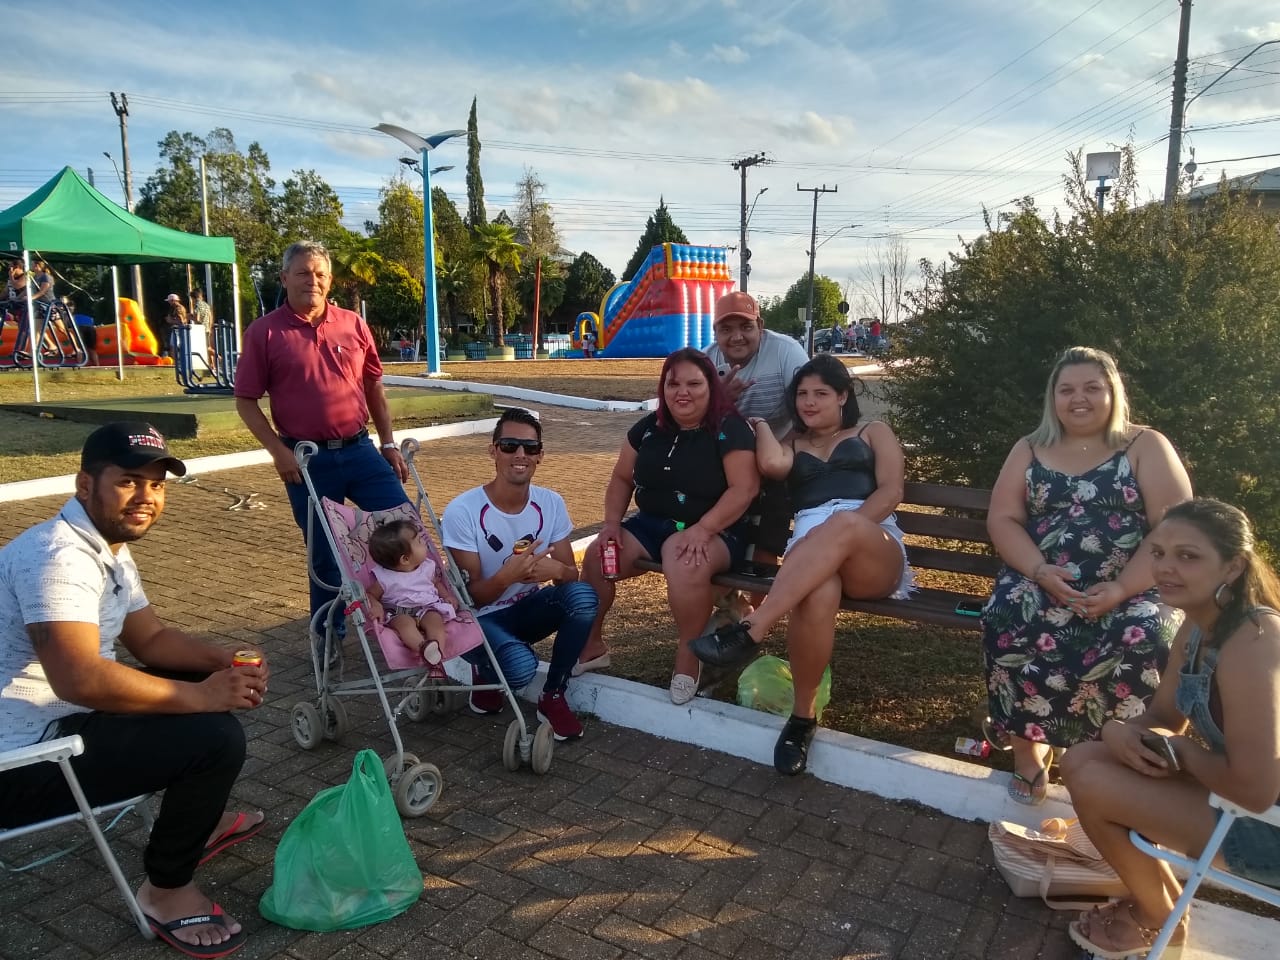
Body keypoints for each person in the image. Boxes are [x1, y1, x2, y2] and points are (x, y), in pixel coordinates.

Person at [0, 422, 268, 957]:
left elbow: (152, 640)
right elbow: (79, 678)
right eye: (128, 481)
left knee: (202, 686)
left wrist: (222, 663)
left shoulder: (104, 545)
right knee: (215, 738)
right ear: (84, 485)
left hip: (62, 720)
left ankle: (199, 821)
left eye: (157, 484)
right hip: (24, 764)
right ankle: (165, 892)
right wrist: (206, 696)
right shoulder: (59, 558)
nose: (145, 497)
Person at [1060, 498, 1280, 958]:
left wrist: (1178, 750)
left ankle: (1158, 919)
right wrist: (1119, 730)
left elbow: (1257, 789)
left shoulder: (1255, 642)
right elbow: (1162, 719)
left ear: (1233, 567)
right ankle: (1158, 909)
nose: (1165, 568)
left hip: (1269, 827)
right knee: (1082, 759)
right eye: (1158, 553)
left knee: (1094, 779)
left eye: (1188, 556)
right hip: (1243, 801)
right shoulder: (1200, 625)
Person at [982, 346, 1193, 805]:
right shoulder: (1030, 447)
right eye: (1067, 389)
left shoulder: (1144, 445)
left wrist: (1120, 588)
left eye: (1092, 388)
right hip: (1043, 579)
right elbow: (1003, 519)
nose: (1079, 398)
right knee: (1007, 614)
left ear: (1112, 393)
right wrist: (1039, 571)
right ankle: (1029, 756)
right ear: (1052, 397)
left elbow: (1173, 530)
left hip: (1133, 584)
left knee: (1145, 634)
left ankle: (1118, 757)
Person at [691, 354, 914, 773]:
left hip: (871, 548)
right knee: (817, 594)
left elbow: (891, 493)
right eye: (802, 395)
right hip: (814, 563)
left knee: (841, 524)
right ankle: (802, 718)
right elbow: (771, 465)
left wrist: (836, 534)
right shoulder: (792, 445)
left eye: (821, 394)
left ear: (843, 396)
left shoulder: (873, 432)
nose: (809, 402)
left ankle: (753, 629)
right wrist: (759, 425)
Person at [233, 240, 410, 635]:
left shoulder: (353, 323)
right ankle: (330, 640)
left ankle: (416, 621)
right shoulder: (265, 332)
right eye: (302, 273)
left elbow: (374, 385)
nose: (312, 280)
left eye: (320, 274)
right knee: (326, 559)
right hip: (306, 461)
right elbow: (245, 400)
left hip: (361, 451)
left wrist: (387, 443)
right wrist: (278, 452)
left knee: (403, 529)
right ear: (284, 278)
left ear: (330, 281)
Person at [579, 348, 759, 704]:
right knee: (600, 555)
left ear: (712, 386)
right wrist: (612, 524)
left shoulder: (729, 429)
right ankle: (592, 644)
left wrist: (704, 528)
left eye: (694, 383)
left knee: (682, 554)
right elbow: (620, 477)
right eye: (673, 383)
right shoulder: (650, 428)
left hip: (719, 530)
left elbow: (745, 488)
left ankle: (689, 655)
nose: (682, 392)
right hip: (652, 525)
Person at [441, 408, 598, 741]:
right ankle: (485, 669)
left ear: (541, 455)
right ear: (493, 450)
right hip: (478, 621)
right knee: (522, 669)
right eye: (510, 445)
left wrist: (558, 570)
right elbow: (468, 600)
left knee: (584, 597)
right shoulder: (463, 511)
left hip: (526, 610)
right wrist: (507, 576)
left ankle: (553, 694)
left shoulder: (550, 503)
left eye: (530, 448)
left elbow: (570, 576)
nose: (520, 455)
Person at [702, 290, 809, 578]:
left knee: (777, 493)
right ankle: (723, 579)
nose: (737, 337)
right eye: (726, 329)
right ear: (715, 333)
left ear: (760, 326)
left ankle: (760, 583)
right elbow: (691, 422)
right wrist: (720, 401)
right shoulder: (706, 363)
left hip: (784, 447)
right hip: (730, 453)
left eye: (746, 327)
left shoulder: (787, 352)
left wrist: (780, 449)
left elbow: (810, 410)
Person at [365, 519, 456, 669]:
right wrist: (376, 605)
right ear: (405, 559)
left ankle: (437, 653)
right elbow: (370, 594)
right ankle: (423, 648)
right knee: (405, 625)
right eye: (420, 542)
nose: (425, 543)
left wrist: (446, 596)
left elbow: (436, 583)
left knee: (435, 621)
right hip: (399, 612)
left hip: (427, 608)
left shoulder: (427, 566)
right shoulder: (385, 578)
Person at [160, 294, 188, 359]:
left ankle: (175, 363)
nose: (169, 303)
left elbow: (181, 321)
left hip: (178, 329)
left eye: (169, 301)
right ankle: (177, 362)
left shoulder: (178, 308)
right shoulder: (180, 307)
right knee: (176, 346)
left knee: (173, 346)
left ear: (173, 301)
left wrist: (170, 321)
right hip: (179, 329)